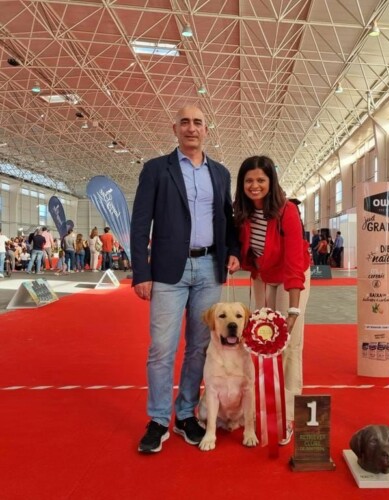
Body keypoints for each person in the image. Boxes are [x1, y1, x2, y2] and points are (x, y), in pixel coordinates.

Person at [130, 105, 240, 454]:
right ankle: (158, 419)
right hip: (167, 271)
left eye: (198, 122)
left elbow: (227, 218)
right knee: (161, 348)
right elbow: (140, 222)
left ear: (207, 129)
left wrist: (232, 250)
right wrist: (141, 271)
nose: (191, 128)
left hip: (209, 268)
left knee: (199, 347)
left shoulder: (220, 173)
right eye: (185, 122)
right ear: (174, 128)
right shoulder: (156, 169)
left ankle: (186, 414)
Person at [233, 155, 311, 446]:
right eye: (249, 180)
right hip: (262, 277)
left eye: (261, 180)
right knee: (262, 342)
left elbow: (293, 260)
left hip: (292, 276)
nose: (254, 185)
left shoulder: (287, 210)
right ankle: (263, 406)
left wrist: (293, 309)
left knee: (289, 344)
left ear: (271, 182)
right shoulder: (241, 212)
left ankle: (288, 415)